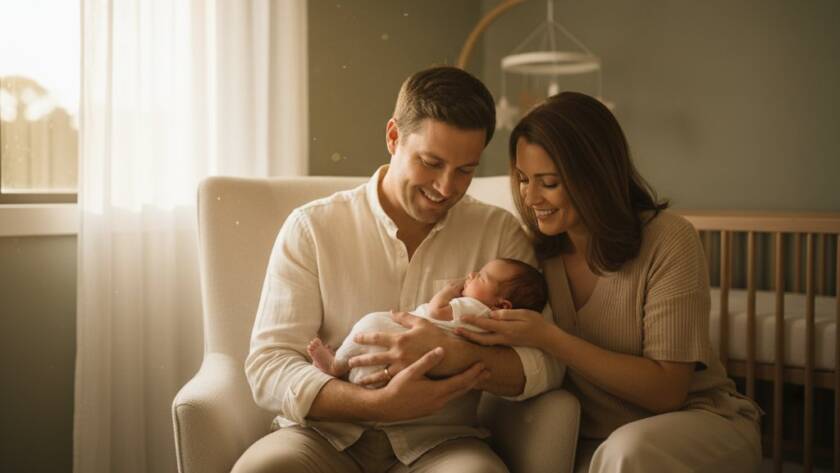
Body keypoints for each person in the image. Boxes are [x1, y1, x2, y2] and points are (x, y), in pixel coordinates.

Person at [234, 67, 564, 473]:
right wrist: (376, 405)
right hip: (324, 436)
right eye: (431, 163)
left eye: (465, 170)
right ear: (393, 137)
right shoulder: (313, 228)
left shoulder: (499, 236)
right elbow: (269, 366)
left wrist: (456, 356)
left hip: (441, 445)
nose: (446, 188)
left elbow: (547, 363)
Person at [455, 92, 763, 473]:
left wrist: (551, 339)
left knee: (626, 452)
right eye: (522, 179)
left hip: (695, 422)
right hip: (594, 440)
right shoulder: (538, 257)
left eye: (548, 182)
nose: (531, 197)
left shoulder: (668, 240)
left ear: (594, 177)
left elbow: (667, 392)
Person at [308, 258, 549, 386]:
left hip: (395, 338)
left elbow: (436, 311)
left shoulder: (472, 308)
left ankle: (336, 366)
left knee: (370, 323)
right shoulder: (495, 327)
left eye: (482, 277)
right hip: (413, 368)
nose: (472, 274)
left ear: (501, 305)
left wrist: (447, 291)